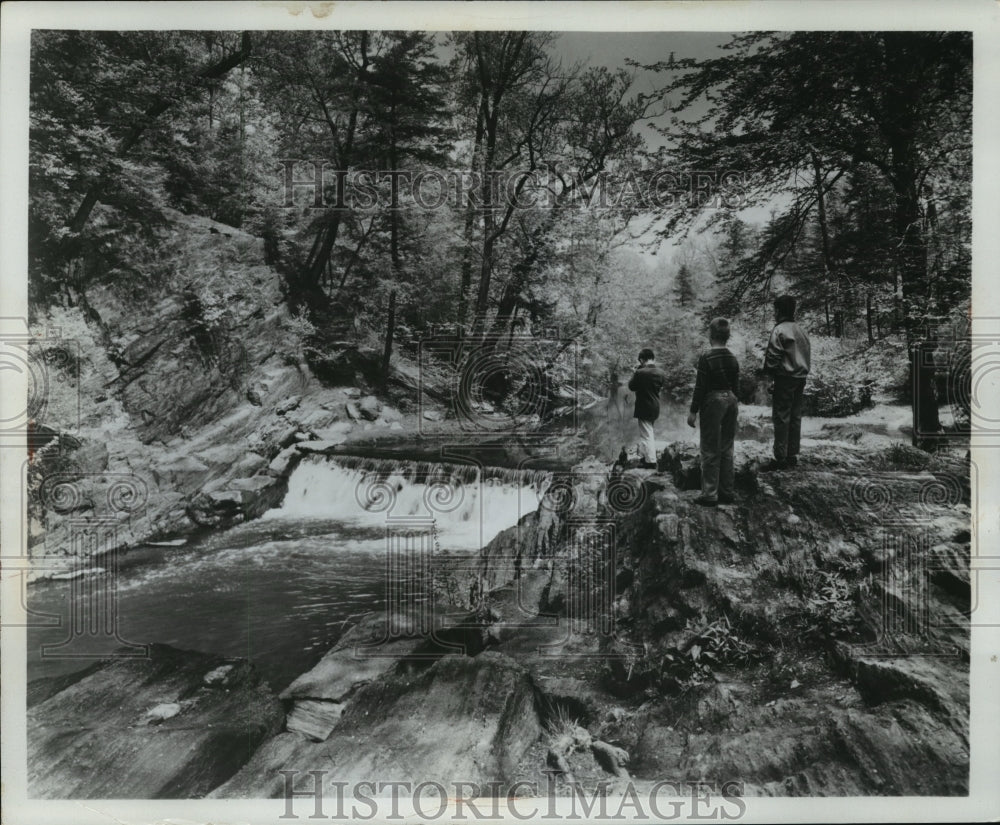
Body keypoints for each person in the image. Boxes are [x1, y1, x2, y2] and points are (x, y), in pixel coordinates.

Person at [686, 318, 740, 506]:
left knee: (709, 448)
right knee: (727, 447)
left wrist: (693, 411)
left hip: (713, 400)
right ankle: (727, 491)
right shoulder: (733, 357)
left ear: (711, 335)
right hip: (731, 400)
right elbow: (736, 387)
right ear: (727, 336)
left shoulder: (706, 357)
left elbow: (700, 387)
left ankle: (710, 494)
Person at [760, 294, 811, 470]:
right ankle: (792, 455)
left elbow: (773, 356)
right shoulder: (801, 330)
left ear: (779, 310)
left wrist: (768, 375)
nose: (774, 313)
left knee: (781, 416)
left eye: (775, 310)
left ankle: (780, 457)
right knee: (795, 416)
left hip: (785, 378)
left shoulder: (779, 330)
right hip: (801, 378)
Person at [628, 348, 666, 469]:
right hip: (655, 406)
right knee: (649, 432)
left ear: (642, 360)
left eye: (641, 361)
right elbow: (660, 386)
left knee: (646, 435)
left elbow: (632, 387)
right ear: (653, 359)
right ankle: (647, 457)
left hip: (644, 407)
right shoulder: (661, 372)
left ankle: (651, 462)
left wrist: (635, 372)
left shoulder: (640, 372)